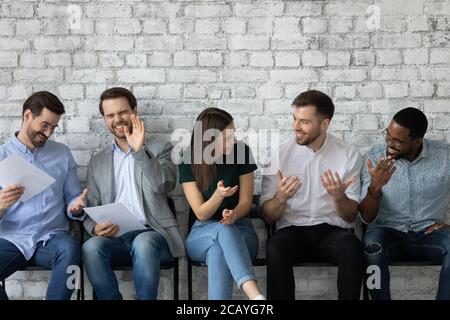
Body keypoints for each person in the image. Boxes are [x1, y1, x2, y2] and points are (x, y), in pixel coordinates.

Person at [81, 87, 184, 300]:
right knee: (91, 247)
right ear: (104, 119)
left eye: (122, 112)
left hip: (154, 234)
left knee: (143, 243)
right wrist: (94, 226)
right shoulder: (97, 161)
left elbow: (164, 184)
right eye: (110, 115)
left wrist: (139, 152)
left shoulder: (160, 147)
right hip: (116, 236)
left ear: (134, 111)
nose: (117, 119)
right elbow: (90, 205)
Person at [261, 90, 365, 300]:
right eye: (294, 119)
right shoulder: (278, 151)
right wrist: (281, 197)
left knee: (352, 248)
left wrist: (338, 197)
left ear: (324, 124)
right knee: (275, 247)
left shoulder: (348, 154)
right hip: (292, 230)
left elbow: (350, 217)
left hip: (332, 232)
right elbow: (268, 216)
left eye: (304, 122)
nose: (295, 127)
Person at [0, 91, 87, 300]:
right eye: (45, 125)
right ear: (27, 115)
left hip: (53, 238)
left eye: (53, 128)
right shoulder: (1, 156)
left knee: (71, 251)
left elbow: (73, 195)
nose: (48, 133)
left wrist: (76, 207)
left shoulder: (62, 153)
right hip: (12, 238)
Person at [360, 107, 450, 300]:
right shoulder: (375, 158)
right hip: (387, 231)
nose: (389, 144)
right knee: (371, 246)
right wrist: (374, 188)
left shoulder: (445, 156)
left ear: (416, 142)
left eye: (397, 141)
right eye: (388, 135)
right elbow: (366, 217)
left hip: (429, 233)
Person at [178, 107, 265, 300]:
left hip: (241, 230)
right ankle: (255, 295)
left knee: (218, 251)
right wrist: (218, 195)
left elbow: (245, 202)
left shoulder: (241, 151)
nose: (233, 141)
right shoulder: (188, 158)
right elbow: (201, 214)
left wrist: (234, 214)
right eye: (226, 137)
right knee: (221, 232)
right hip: (203, 231)